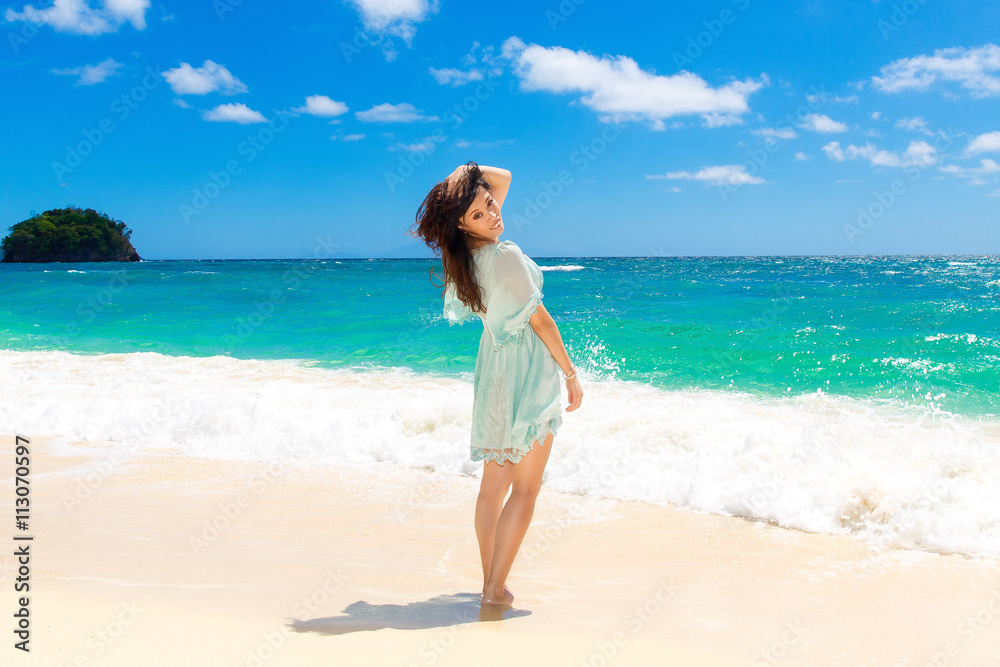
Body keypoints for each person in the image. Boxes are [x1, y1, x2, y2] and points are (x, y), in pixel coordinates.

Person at [408, 161, 584, 609]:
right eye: (481, 213)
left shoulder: (466, 261)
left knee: (492, 488)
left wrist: (458, 186)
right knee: (525, 489)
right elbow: (541, 321)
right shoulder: (504, 256)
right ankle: (493, 589)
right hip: (526, 366)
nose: (493, 212)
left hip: (493, 368)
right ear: (465, 225)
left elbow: (499, 179)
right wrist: (570, 374)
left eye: (489, 206)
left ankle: (493, 581)